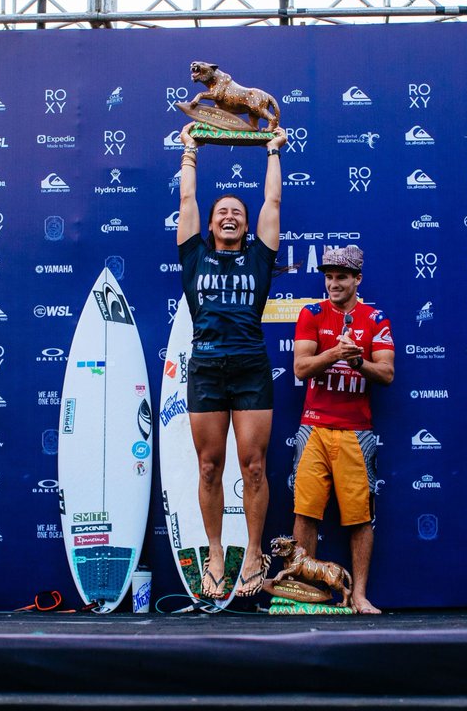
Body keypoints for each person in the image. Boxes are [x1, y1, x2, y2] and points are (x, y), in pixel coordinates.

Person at [177, 119, 288, 600]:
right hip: (205, 367)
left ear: (244, 225)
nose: (228, 216)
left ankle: (256, 550)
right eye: (221, 211)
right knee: (208, 467)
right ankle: (217, 551)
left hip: (249, 368)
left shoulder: (261, 257)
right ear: (211, 222)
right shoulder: (193, 255)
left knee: (255, 466)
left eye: (235, 213)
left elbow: (273, 204)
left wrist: (273, 152)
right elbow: (186, 203)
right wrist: (189, 153)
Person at [290, 245, 394, 615]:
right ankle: (303, 594)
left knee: (360, 516)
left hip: (356, 431)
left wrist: (358, 361)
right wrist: (334, 354)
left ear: (357, 279)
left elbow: (387, 373)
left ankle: (360, 595)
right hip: (314, 427)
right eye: (329, 277)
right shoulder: (312, 313)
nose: (333, 283)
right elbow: (301, 368)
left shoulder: (376, 317)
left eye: (341, 277)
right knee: (305, 512)